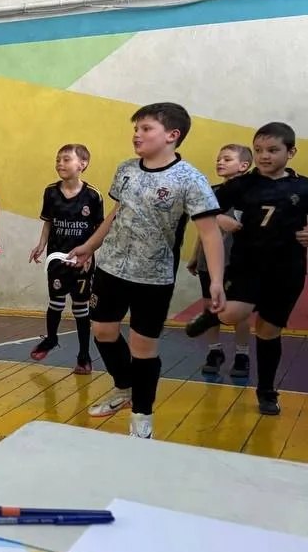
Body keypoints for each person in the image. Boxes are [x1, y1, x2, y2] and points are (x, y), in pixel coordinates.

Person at [69, 102, 224, 439]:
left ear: (172, 135)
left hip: (153, 277)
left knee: (143, 347)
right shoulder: (126, 169)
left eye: (146, 129)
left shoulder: (190, 179)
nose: (137, 135)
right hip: (110, 268)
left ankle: (142, 415)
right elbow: (116, 213)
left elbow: (210, 233)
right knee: (103, 331)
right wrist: (90, 245)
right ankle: (124, 387)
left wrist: (216, 280)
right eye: (135, 129)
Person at [186, 123, 308, 416]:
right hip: (247, 265)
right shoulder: (242, 184)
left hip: (287, 269)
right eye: (259, 150)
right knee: (231, 314)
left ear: (291, 152)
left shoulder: (303, 186)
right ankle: (213, 314)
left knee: (268, 330)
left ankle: (266, 391)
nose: (264, 156)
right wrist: (220, 219)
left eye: (273, 150)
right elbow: (201, 208)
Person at [27, 144, 104, 374]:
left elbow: (99, 230)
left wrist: (89, 252)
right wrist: (41, 245)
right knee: (56, 301)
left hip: (81, 261)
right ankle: (51, 339)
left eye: (66, 159)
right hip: (57, 258)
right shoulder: (51, 192)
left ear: (82, 164)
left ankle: (84, 356)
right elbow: (48, 222)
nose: (60, 163)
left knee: (81, 307)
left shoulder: (93, 196)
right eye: (58, 159)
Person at [184, 144, 254, 381]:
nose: (220, 162)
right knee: (210, 309)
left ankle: (242, 354)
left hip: (237, 262)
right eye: (218, 159)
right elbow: (205, 229)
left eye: (227, 159)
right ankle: (215, 352)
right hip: (209, 261)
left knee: (238, 312)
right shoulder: (211, 193)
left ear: (243, 165)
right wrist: (196, 255)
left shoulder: (252, 193)